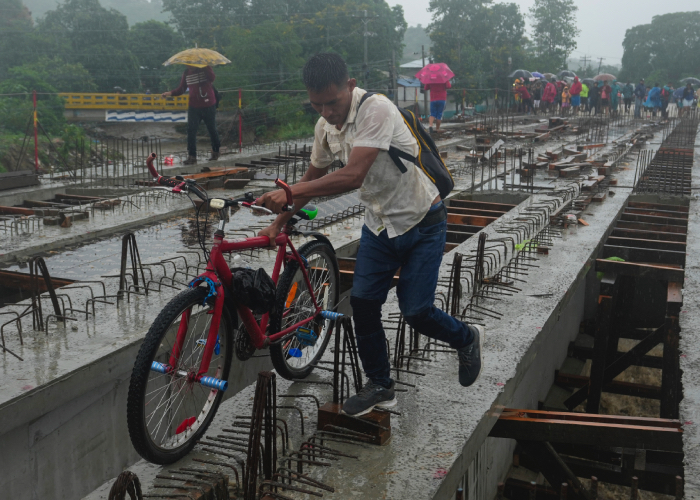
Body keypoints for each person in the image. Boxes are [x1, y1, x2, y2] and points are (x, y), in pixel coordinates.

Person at [255, 53, 484, 416]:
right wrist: (278, 224)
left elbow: (353, 175)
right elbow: (310, 183)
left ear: (349, 86)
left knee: (416, 310)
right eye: (317, 104)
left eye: (333, 102)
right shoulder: (324, 127)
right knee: (362, 303)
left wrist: (288, 194)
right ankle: (380, 384)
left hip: (422, 221)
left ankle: (466, 337)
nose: (327, 111)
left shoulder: (375, 109)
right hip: (379, 225)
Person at [162, 65, 220, 164]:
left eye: (191, 64)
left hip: (208, 104)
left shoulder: (205, 68)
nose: (189, 66)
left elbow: (212, 78)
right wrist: (169, 93)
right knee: (191, 130)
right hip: (194, 106)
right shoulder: (186, 73)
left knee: (212, 129)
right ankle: (192, 156)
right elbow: (181, 89)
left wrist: (206, 67)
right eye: (187, 64)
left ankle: (216, 152)